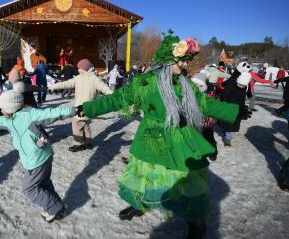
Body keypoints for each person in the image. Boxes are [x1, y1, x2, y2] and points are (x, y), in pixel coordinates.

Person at [78, 31, 240, 237]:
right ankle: (139, 204)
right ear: (166, 61)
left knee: (186, 183)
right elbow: (118, 99)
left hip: (179, 141)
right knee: (143, 176)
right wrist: (89, 108)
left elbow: (204, 103)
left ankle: (196, 221)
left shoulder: (185, 84)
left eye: (185, 62)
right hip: (150, 140)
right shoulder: (145, 82)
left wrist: (232, 111)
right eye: (180, 61)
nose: (184, 66)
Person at [0, 82, 76, 222]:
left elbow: (51, 113)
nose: (1, 112)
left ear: (10, 108)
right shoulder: (9, 120)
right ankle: (54, 206)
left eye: (3, 109)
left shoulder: (30, 115)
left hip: (39, 158)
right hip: (36, 157)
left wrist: (72, 110)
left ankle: (55, 208)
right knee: (43, 184)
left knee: (29, 188)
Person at [49, 59, 112, 152]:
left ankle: (78, 144)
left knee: (76, 123)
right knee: (84, 123)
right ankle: (88, 142)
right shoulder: (81, 78)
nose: (77, 69)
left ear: (84, 68)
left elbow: (104, 88)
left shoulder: (92, 78)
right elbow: (66, 83)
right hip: (88, 107)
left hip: (83, 107)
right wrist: (54, 86)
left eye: (79, 68)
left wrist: (113, 95)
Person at [219, 72, 252, 146]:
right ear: (237, 81)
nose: (240, 86)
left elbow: (243, 99)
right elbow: (224, 95)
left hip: (237, 108)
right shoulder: (231, 86)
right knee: (227, 124)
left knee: (233, 125)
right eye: (239, 84)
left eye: (243, 85)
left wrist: (242, 108)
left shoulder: (244, 88)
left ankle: (228, 136)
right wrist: (223, 103)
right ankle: (227, 136)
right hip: (228, 106)